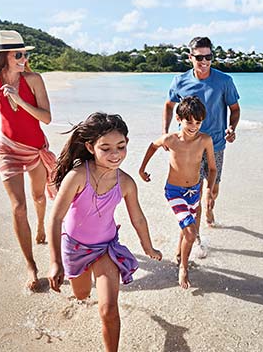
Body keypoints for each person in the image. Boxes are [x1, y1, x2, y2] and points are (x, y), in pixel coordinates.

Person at [47, 112, 162, 352]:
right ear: (90, 147)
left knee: (108, 309)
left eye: (121, 146)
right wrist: (55, 262)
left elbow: (138, 218)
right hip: (74, 247)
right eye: (106, 148)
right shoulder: (78, 176)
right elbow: (56, 218)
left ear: (127, 143)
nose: (115, 154)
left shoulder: (126, 182)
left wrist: (148, 247)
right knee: (81, 295)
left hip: (105, 248)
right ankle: (82, 282)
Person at [0, 30, 57, 291]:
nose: (24, 58)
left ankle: (41, 225)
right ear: (3, 57)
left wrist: (19, 100)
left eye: (25, 53)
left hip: (34, 149)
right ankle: (31, 266)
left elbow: (46, 118)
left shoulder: (33, 80)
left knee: (39, 197)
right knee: (19, 207)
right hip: (7, 149)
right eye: (18, 54)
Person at [163, 36, 241, 253]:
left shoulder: (224, 81)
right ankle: (195, 239)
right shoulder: (180, 81)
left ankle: (210, 207)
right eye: (199, 57)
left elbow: (234, 110)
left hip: (216, 145)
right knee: (193, 192)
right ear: (191, 58)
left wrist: (232, 129)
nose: (204, 61)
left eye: (208, 56)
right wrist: (165, 133)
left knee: (213, 188)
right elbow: (169, 106)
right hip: (189, 148)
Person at [140, 97, 216, 289]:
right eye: (189, 121)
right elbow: (153, 146)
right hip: (174, 191)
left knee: (188, 227)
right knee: (190, 233)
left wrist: (209, 188)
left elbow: (212, 169)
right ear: (178, 119)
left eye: (198, 122)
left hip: (195, 191)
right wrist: (142, 169)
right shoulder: (170, 139)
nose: (194, 126)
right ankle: (183, 267)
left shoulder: (205, 140)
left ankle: (178, 254)